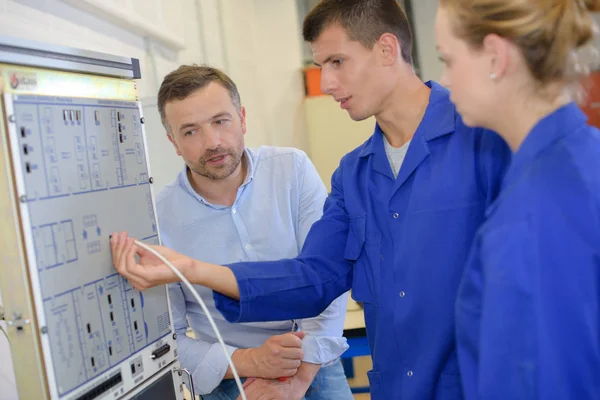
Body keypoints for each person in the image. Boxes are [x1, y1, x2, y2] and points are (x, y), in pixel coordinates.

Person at [111, 1, 510, 398]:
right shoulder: (354, 175)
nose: (328, 83)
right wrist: (192, 269)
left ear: (387, 49)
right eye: (323, 67)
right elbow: (313, 278)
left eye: (337, 62)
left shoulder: (484, 139)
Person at [147, 65, 353, 400]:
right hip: (228, 376)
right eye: (190, 132)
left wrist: (298, 379)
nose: (212, 142)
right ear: (173, 142)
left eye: (220, 121)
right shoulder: (158, 218)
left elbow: (327, 280)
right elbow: (165, 340)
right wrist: (251, 361)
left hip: (313, 362)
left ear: (242, 119)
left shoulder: (292, 170)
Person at [435, 0, 600, 398]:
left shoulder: (528, 220)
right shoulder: (585, 156)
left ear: (496, 56)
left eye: (448, 59)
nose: (443, 79)